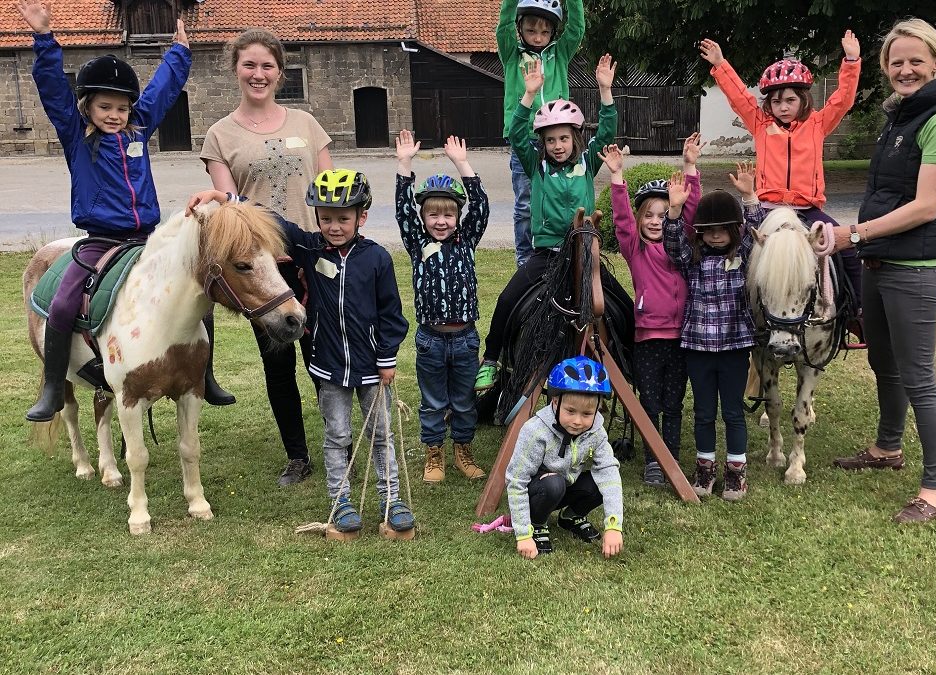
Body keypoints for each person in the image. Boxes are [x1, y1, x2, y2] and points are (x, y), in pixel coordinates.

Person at [186, 169, 414, 534]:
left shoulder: (377, 259)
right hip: (329, 368)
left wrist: (386, 359)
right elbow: (274, 222)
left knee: (381, 434)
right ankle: (341, 502)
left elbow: (392, 315)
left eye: (343, 218)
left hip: (372, 368)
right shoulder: (308, 248)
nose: (334, 226)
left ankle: (392, 499)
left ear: (362, 217)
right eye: (326, 218)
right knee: (336, 435)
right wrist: (227, 199)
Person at [17, 1, 192, 421]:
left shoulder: (138, 127)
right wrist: (44, 38)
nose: (115, 115)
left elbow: (160, 91)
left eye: (121, 108)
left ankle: (203, 372)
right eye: (105, 107)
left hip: (146, 238)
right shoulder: (77, 137)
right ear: (88, 109)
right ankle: (54, 385)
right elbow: (53, 91)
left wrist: (180, 53)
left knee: (195, 286)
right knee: (61, 304)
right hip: (99, 241)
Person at [829, 19, 936, 524]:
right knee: (883, 366)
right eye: (896, 62)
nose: (905, 70)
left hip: (912, 270)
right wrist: (860, 238)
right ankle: (888, 449)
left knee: (918, 378)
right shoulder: (900, 118)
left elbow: (926, 206)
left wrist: (855, 234)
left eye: (915, 61)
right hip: (878, 263)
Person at [200, 28, 335, 486]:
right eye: (249, 65)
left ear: (281, 72)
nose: (259, 74)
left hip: (314, 259)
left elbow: (331, 192)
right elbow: (229, 207)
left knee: (328, 359)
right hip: (263, 269)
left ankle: (340, 440)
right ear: (235, 69)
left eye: (267, 66)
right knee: (279, 366)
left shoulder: (307, 125)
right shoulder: (220, 135)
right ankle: (298, 455)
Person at [698, 32, 865, 335]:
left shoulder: (817, 124)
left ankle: (857, 312)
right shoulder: (760, 125)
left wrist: (851, 62)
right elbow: (740, 99)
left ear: (804, 100)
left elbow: (842, 100)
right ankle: (737, 314)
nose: (783, 107)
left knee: (846, 247)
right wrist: (721, 65)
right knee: (741, 251)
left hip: (808, 209)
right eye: (776, 102)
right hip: (767, 209)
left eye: (790, 100)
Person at [476, 54, 619, 391]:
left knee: (621, 305)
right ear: (543, 142)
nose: (557, 146)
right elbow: (514, 133)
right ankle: (491, 359)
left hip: (585, 251)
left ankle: (629, 364)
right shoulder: (535, 165)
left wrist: (605, 91)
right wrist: (528, 95)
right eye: (551, 140)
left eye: (564, 138)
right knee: (508, 298)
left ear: (576, 139)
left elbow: (609, 128)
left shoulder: (588, 163)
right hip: (548, 254)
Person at [602, 135, 703, 486]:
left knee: (674, 403)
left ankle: (670, 458)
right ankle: (652, 462)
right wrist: (617, 176)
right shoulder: (636, 250)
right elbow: (622, 221)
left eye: (663, 214)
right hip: (646, 338)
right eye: (650, 215)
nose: (657, 221)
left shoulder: (682, 247)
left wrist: (690, 168)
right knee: (650, 403)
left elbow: (689, 216)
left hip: (681, 338)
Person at [663, 164, 763, 501]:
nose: (716, 236)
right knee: (704, 411)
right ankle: (704, 469)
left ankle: (736, 472)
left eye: (723, 230)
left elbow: (758, 229)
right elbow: (673, 243)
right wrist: (675, 209)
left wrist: (749, 197)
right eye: (709, 230)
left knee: (733, 411)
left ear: (734, 230)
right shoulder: (693, 258)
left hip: (735, 346)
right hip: (698, 347)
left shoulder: (744, 255)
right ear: (701, 232)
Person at [394, 130, 489, 483]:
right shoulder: (417, 243)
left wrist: (462, 164)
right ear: (423, 217)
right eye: (432, 214)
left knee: (464, 401)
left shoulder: (467, 241)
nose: (440, 221)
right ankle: (434, 455)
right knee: (433, 402)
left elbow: (481, 207)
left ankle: (463, 451)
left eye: (448, 214)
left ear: (457, 218)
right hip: (430, 340)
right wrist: (405, 164)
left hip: (464, 339)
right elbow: (403, 210)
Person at [505, 356, 624, 559]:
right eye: (570, 411)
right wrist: (523, 534)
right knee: (554, 484)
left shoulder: (596, 432)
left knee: (601, 479)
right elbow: (516, 481)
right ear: (555, 402)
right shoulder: (534, 431)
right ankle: (537, 523)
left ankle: (571, 516)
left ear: (597, 409)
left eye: (587, 414)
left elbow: (609, 472)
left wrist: (614, 525)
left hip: (567, 486)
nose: (578, 421)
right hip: (541, 490)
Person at [497, 0, 585, 267]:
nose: (538, 37)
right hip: (525, 136)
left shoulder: (559, 54)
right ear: (520, 29)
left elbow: (577, 29)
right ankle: (525, 261)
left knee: (561, 198)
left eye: (545, 31)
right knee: (525, 204)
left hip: (556, 135)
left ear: (553, 33)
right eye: (531, 30)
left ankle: (561, 253)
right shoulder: (512, 54)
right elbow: (503, 24)